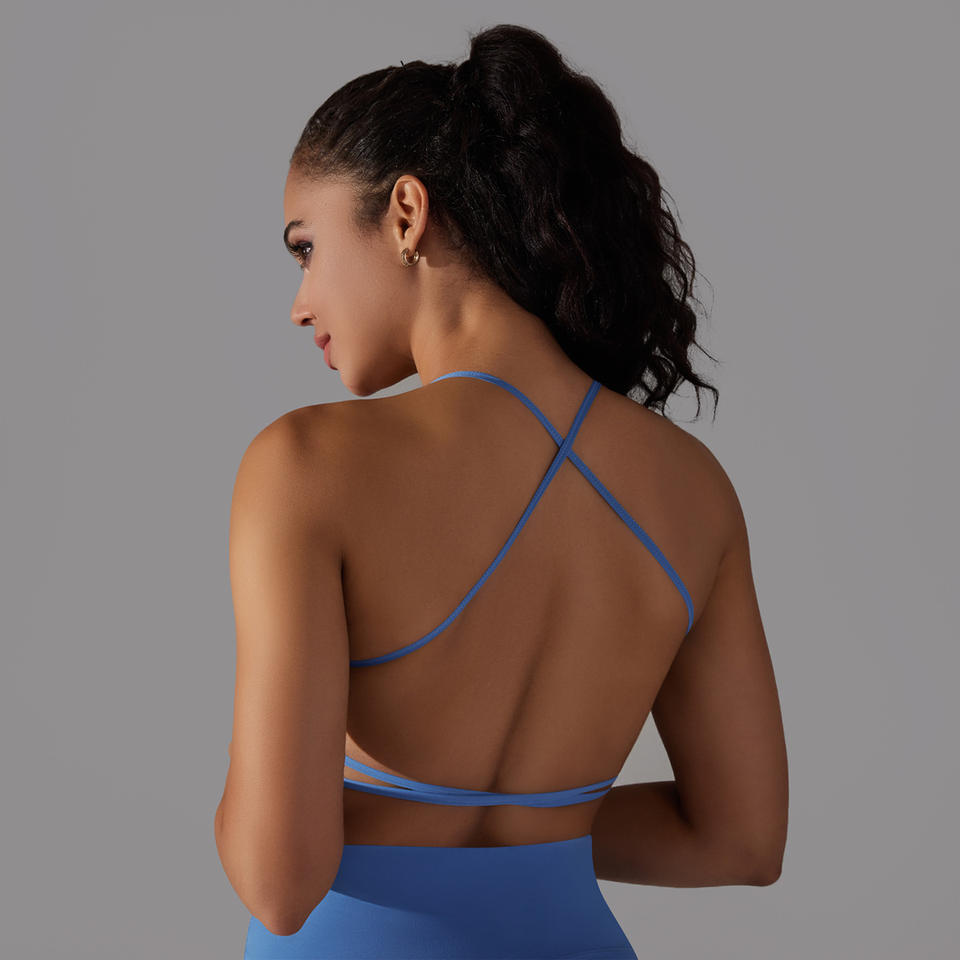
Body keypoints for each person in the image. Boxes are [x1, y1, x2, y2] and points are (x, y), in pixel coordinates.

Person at [216, 22, 788, 959]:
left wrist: (291, 806)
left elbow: (280, 883)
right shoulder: (694, 489)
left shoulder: (304, 465)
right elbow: (741, 840)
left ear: (406, 213)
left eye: (305, 247)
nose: (299, 302)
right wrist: (538, 831)